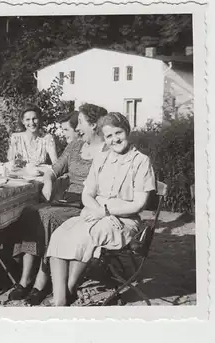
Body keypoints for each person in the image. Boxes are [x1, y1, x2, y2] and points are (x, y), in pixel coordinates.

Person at [46, 112, 156, 306]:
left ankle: (65, 296)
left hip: (124, 220)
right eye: (109, 136)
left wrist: (107, 212)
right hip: (95, 213)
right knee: (60, 234)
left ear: (127, 131)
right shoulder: (101, 158)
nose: (115, 139)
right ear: (104, 138)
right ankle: (60, 297)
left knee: (86, 236)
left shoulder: (141, 161)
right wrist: (100, 211)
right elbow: (86, 194)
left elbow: (139, 204)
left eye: (118, 132)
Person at [8, 103, 108, 305]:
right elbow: (54, 169)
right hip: (67, 200)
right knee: (30, 212)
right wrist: (48, 181)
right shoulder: (75, 146)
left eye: (80, 122)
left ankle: (40, 283)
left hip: (86, 206)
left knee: (47, 217)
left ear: (94, 124)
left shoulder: (107, 150)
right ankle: (25, 278)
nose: (77, 127)